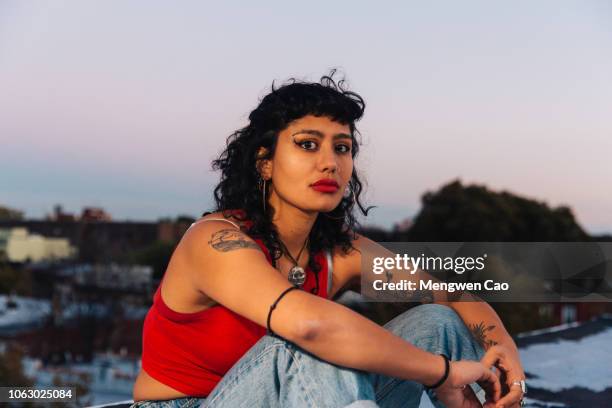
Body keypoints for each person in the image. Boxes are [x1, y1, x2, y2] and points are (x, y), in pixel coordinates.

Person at [131, 72, 526, 408]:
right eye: (307, 144)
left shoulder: (340, 252)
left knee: (437, 322)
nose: (329, 162)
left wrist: (504, 347)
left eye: (342, 147)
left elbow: (453, 299)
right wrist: (441, 373)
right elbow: (311, 328)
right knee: (316, 344)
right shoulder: (216, 241)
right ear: (265, 162)